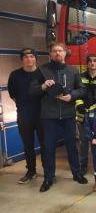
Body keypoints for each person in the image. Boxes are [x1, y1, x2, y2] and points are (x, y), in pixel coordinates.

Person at [29, 41, 88, 192]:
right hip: (49, 116)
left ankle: (77, 173)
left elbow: (82, 89)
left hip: (68, 115)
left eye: (60, 51)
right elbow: (32, 90)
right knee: (48, 148)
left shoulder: (72, 70)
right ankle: (49, 178)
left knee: (71, 147)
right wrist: (43, 86)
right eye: (54, 51)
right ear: (50, 53)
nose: (57, 54)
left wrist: (71, 96)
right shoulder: (41, 70)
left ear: (65, 53)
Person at [8, 48, 45, 184]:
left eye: (32, 56)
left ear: (36, 58)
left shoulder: (43, 74)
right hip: (24, 116)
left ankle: (48, 171)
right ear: (22, 59)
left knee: (45, 144)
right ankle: (31, 171)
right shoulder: (15, 75)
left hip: (42, 115)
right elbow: (13, 95)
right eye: (26, 57)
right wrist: (24, 106)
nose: (29, 59)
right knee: (28, 144)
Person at [75, 54, 96, 175]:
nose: (92, 63)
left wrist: (95, 109)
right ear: (87, 64)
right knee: (83, 142)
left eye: (95, 61)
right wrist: (81, 106)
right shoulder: (80, 77)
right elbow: (77, 93)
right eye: (90, 61)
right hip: (83, 114)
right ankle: (83, 165)